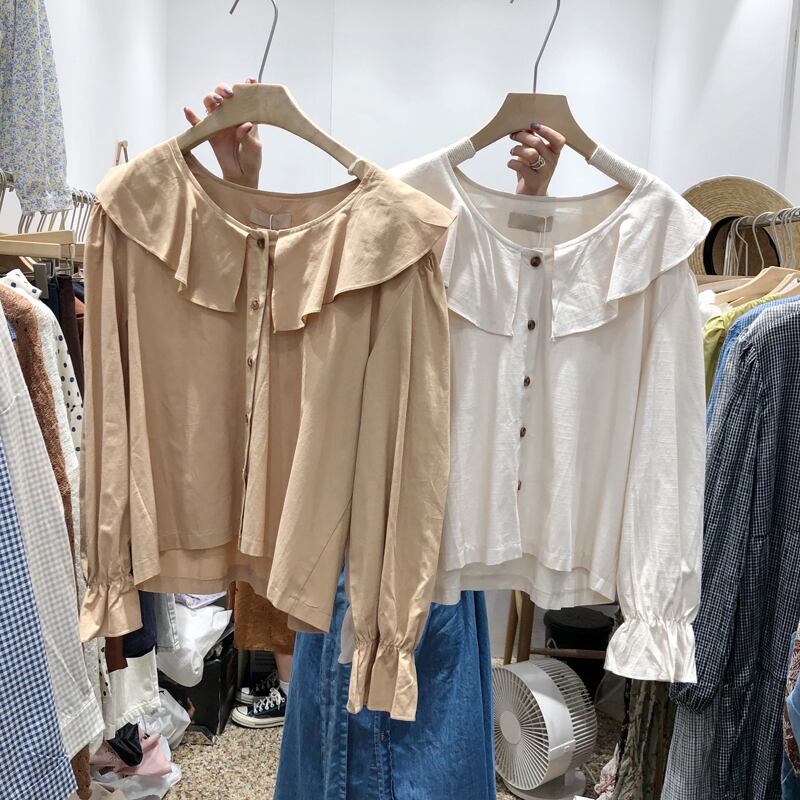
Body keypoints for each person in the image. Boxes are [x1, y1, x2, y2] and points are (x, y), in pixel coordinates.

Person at [184, 82, 565, 788]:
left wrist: (528, 205)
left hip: (436, 549)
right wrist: (244, 188)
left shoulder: (463, 255)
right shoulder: (334, 253)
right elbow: (256, 333)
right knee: (345, 745)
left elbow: (521, 351)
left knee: (424, 745)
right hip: (345, 543)